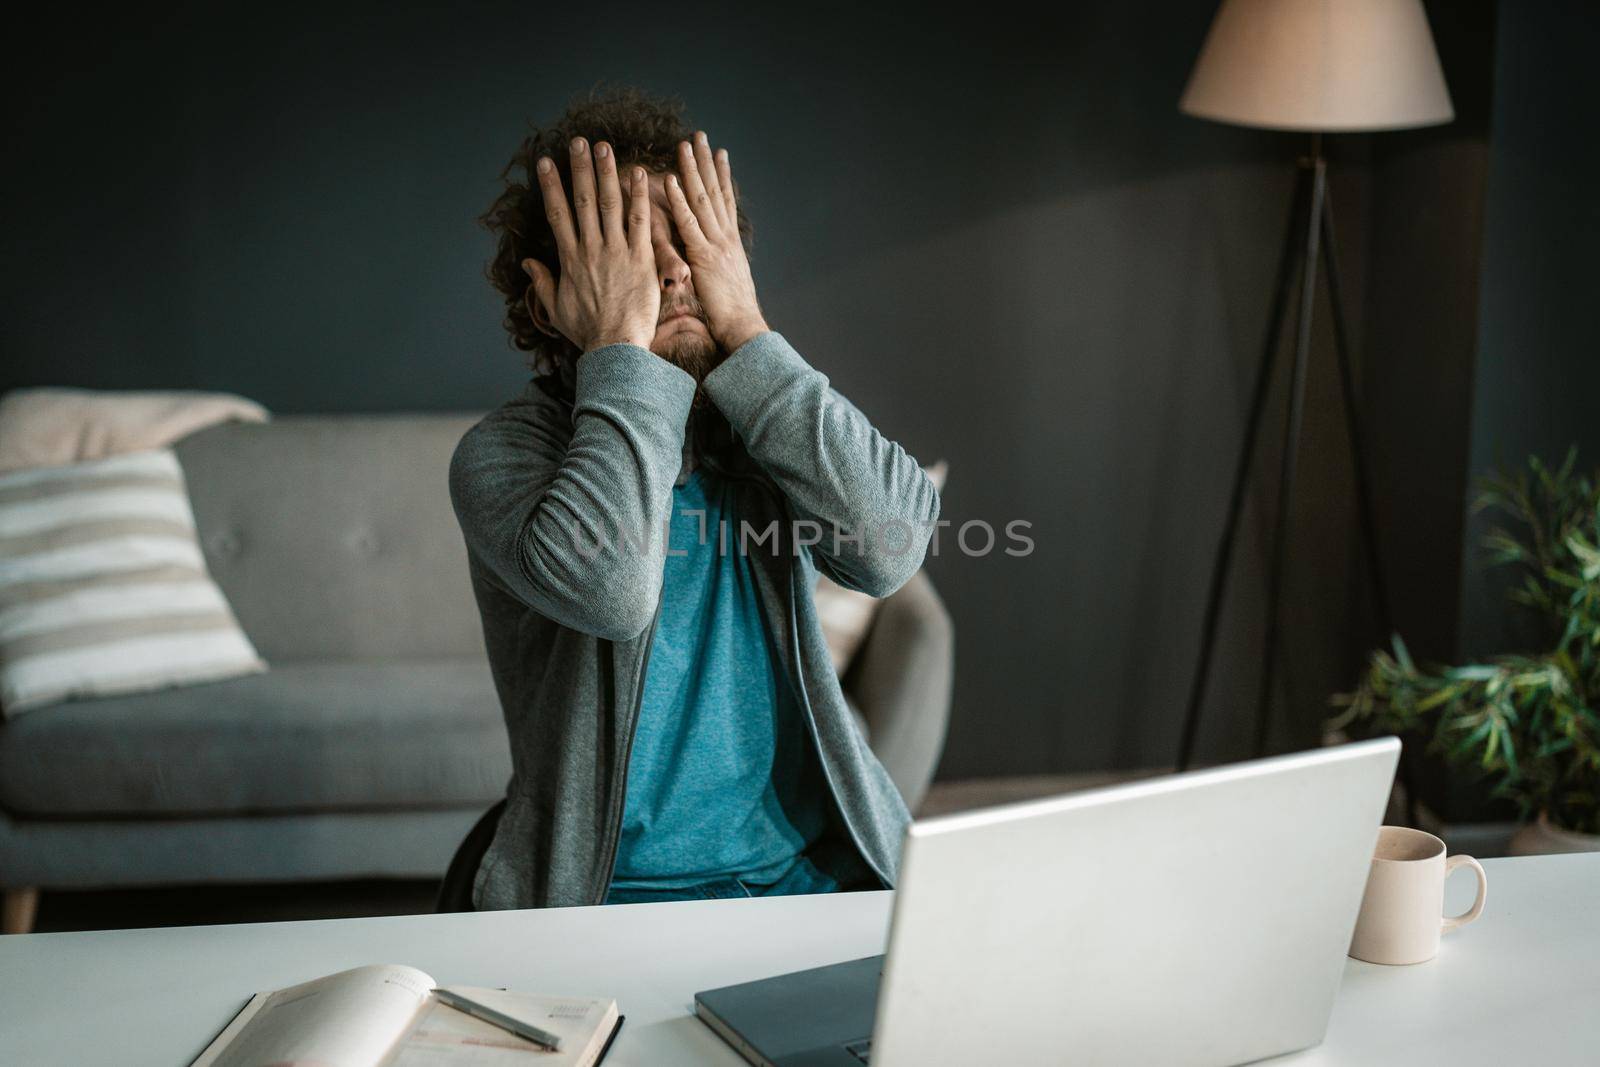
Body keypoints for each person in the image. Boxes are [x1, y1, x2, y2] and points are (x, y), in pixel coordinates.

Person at [449, 87, 939, 909]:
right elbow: (613, 591)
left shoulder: (761, 421)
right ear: (548, 301)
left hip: (811, 876)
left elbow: (890, 550)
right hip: (612, 897)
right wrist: (619, 342)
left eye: (691, 242)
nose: (676, 268)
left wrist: (746, 325)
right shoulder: (503, 455)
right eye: (634, 247)